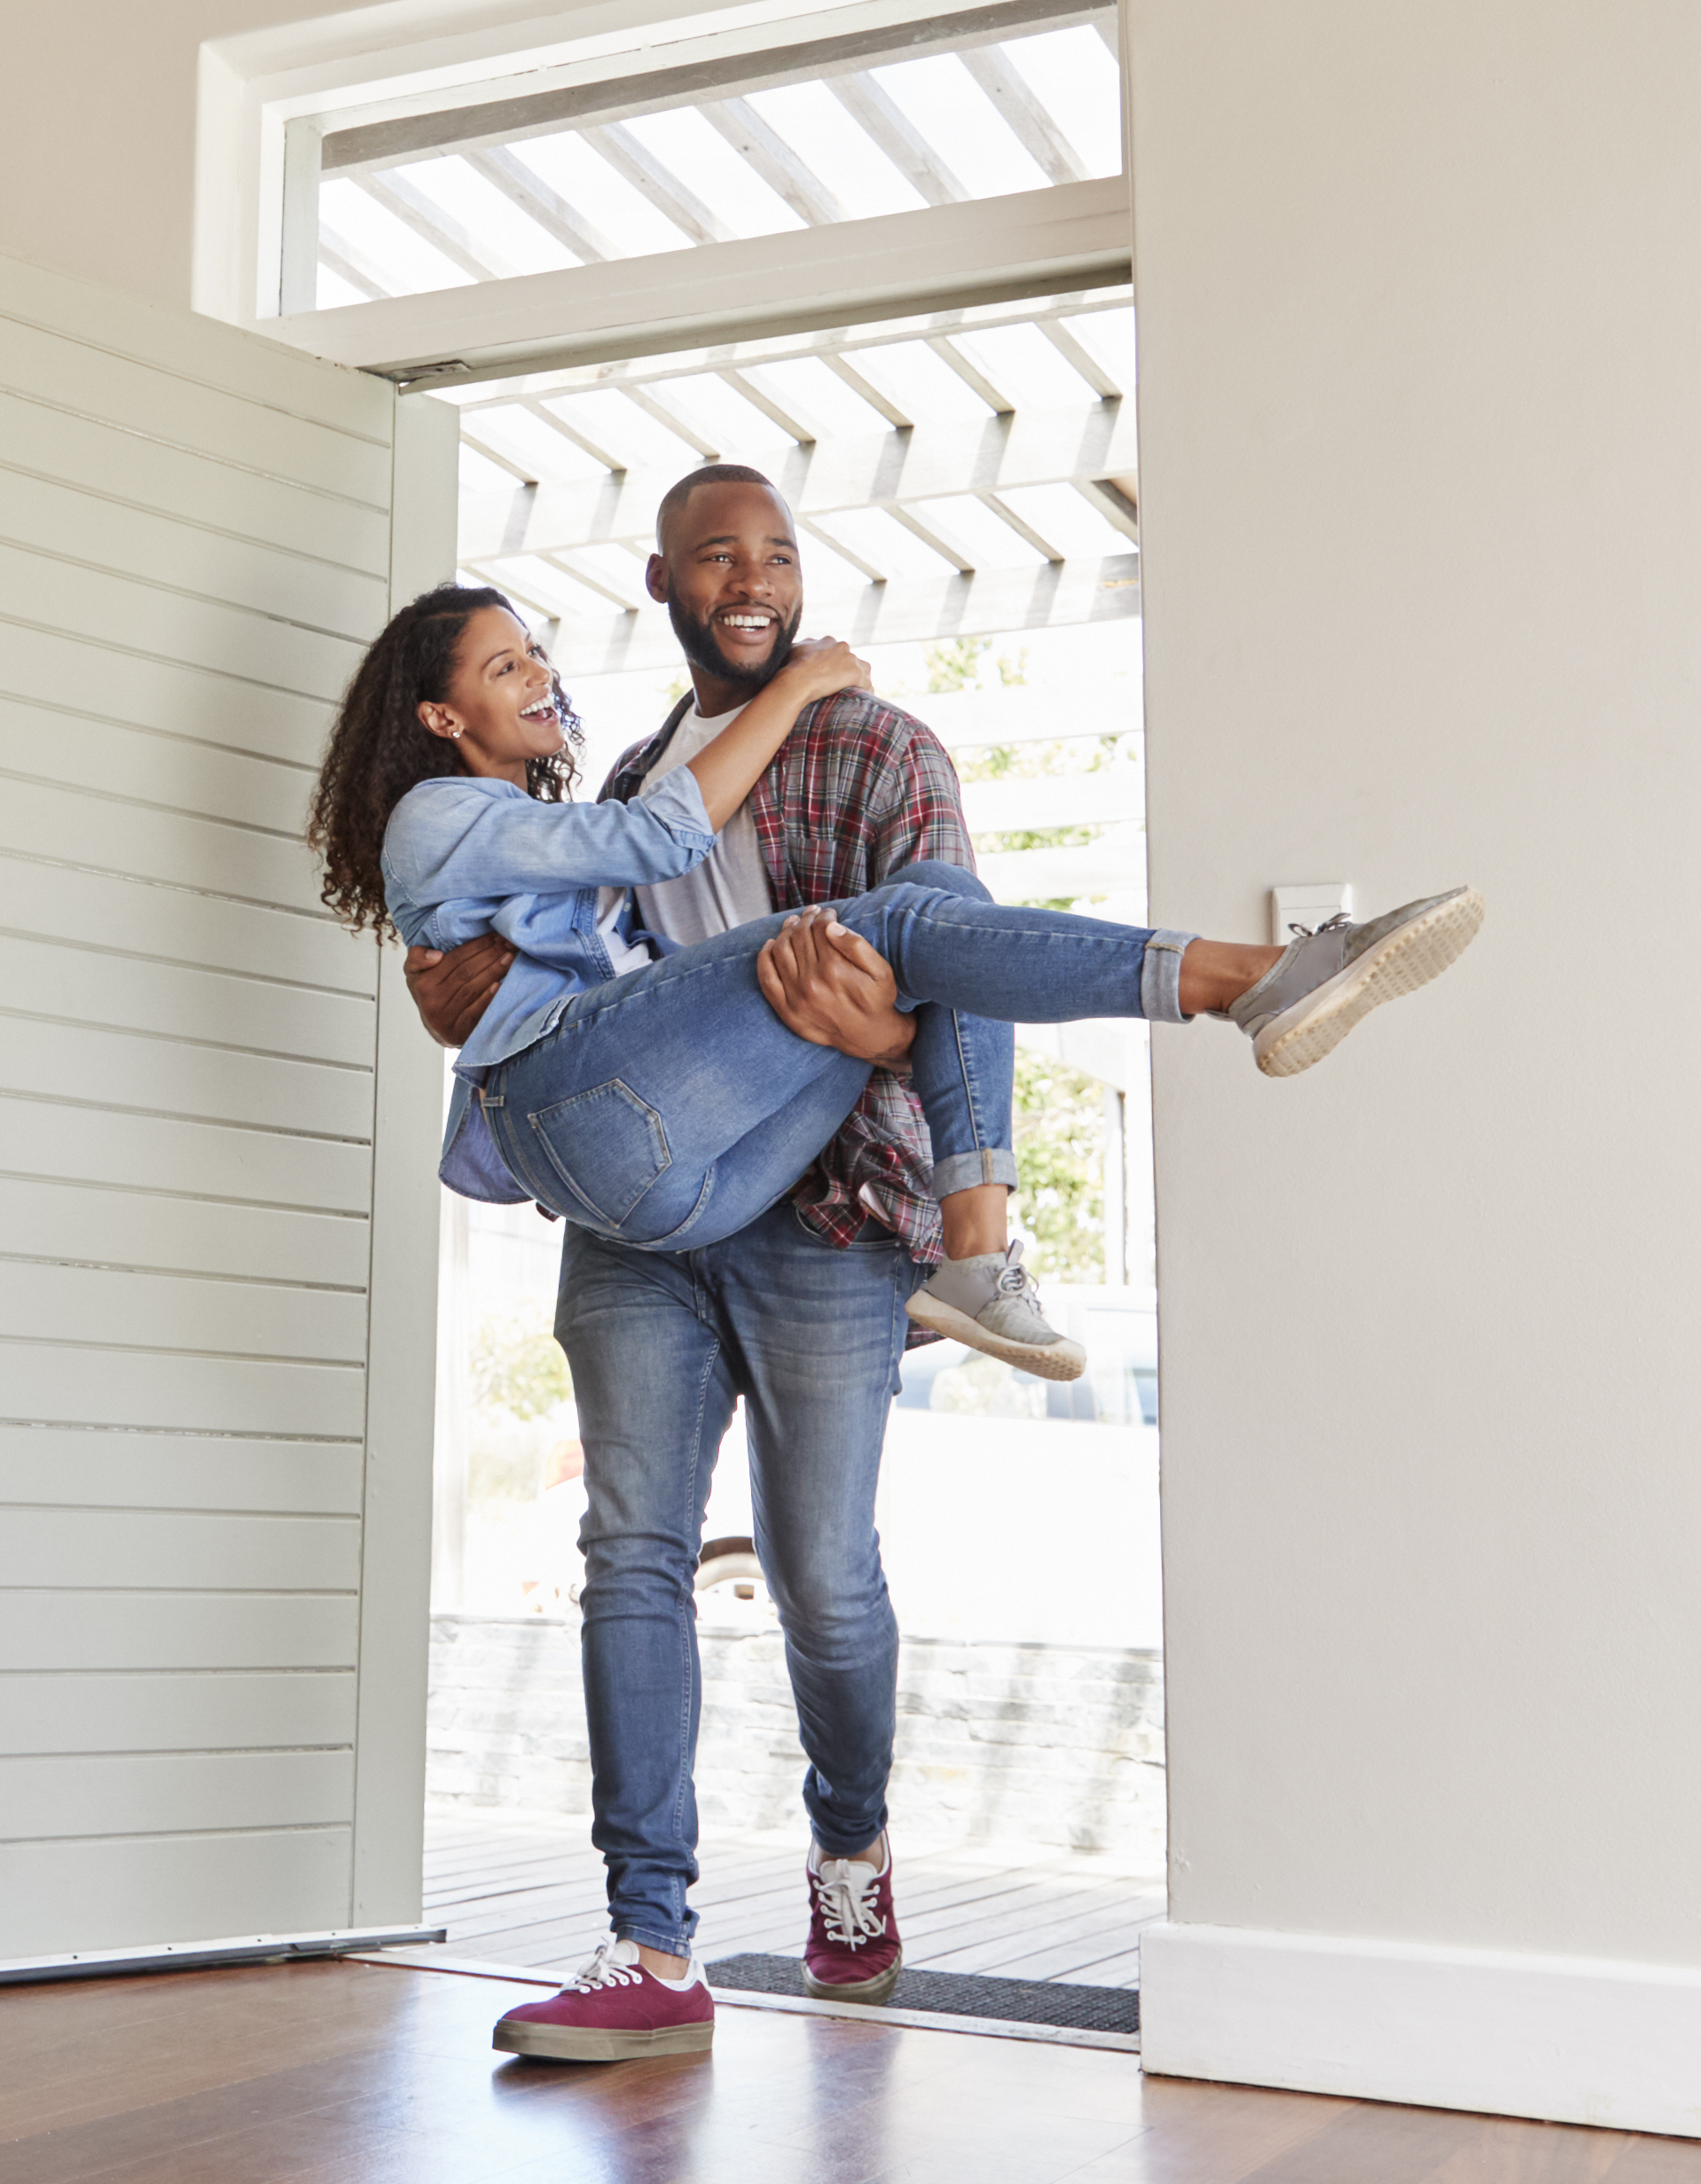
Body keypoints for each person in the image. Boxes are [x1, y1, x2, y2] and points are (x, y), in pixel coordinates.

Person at [328, 470, 1479, 2062]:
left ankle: (850, 1843)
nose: (755, 580)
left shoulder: (881, 746)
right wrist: (476, 987)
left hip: (814, 1202)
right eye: (718, 556)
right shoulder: (648, 781)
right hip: (644, 1203)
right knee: (633, 1554)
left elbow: (943, 974)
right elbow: (586, 951)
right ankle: (651, 1944)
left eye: (780, 557)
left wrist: (861, 1026)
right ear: (664, 582)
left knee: (826, 1579)